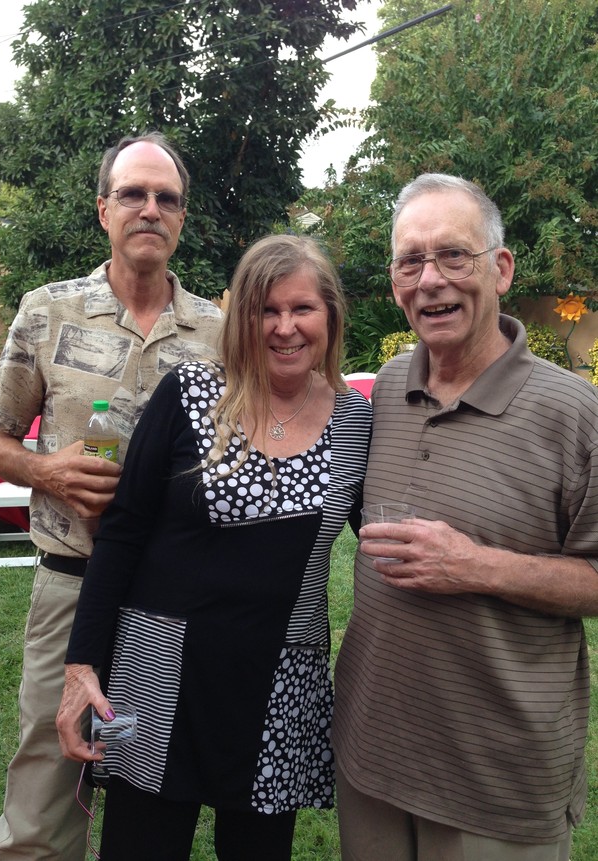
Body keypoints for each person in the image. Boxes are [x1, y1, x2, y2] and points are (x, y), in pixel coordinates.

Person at [55, 233, 372, 861]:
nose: (284, 328)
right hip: (157, 668)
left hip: (282, 680)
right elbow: (122, 533)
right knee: (140, 848)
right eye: (264, 310)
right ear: (241, 318)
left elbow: (385, 540)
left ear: (330, 317)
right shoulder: (192, 392)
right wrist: (82, 667)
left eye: (302, 308)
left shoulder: (358, 422)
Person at [332, 173, 598, 861]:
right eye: (410, 261)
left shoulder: (573, 412)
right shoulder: (387, 389)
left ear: (501, 269)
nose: (430, 279)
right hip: (373, 759)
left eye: (454, 255)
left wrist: (474, 565)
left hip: (496, 782)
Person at [0, 131, 224, 861]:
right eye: (133, 194)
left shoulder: (218, 330)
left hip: (174, 603)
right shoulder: (48, 310)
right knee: (46, 799)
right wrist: (49, 470)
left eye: (167, 198)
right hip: (72, 588)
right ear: (103, 210)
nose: (150, 208)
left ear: (181, 219)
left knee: (151, 800)